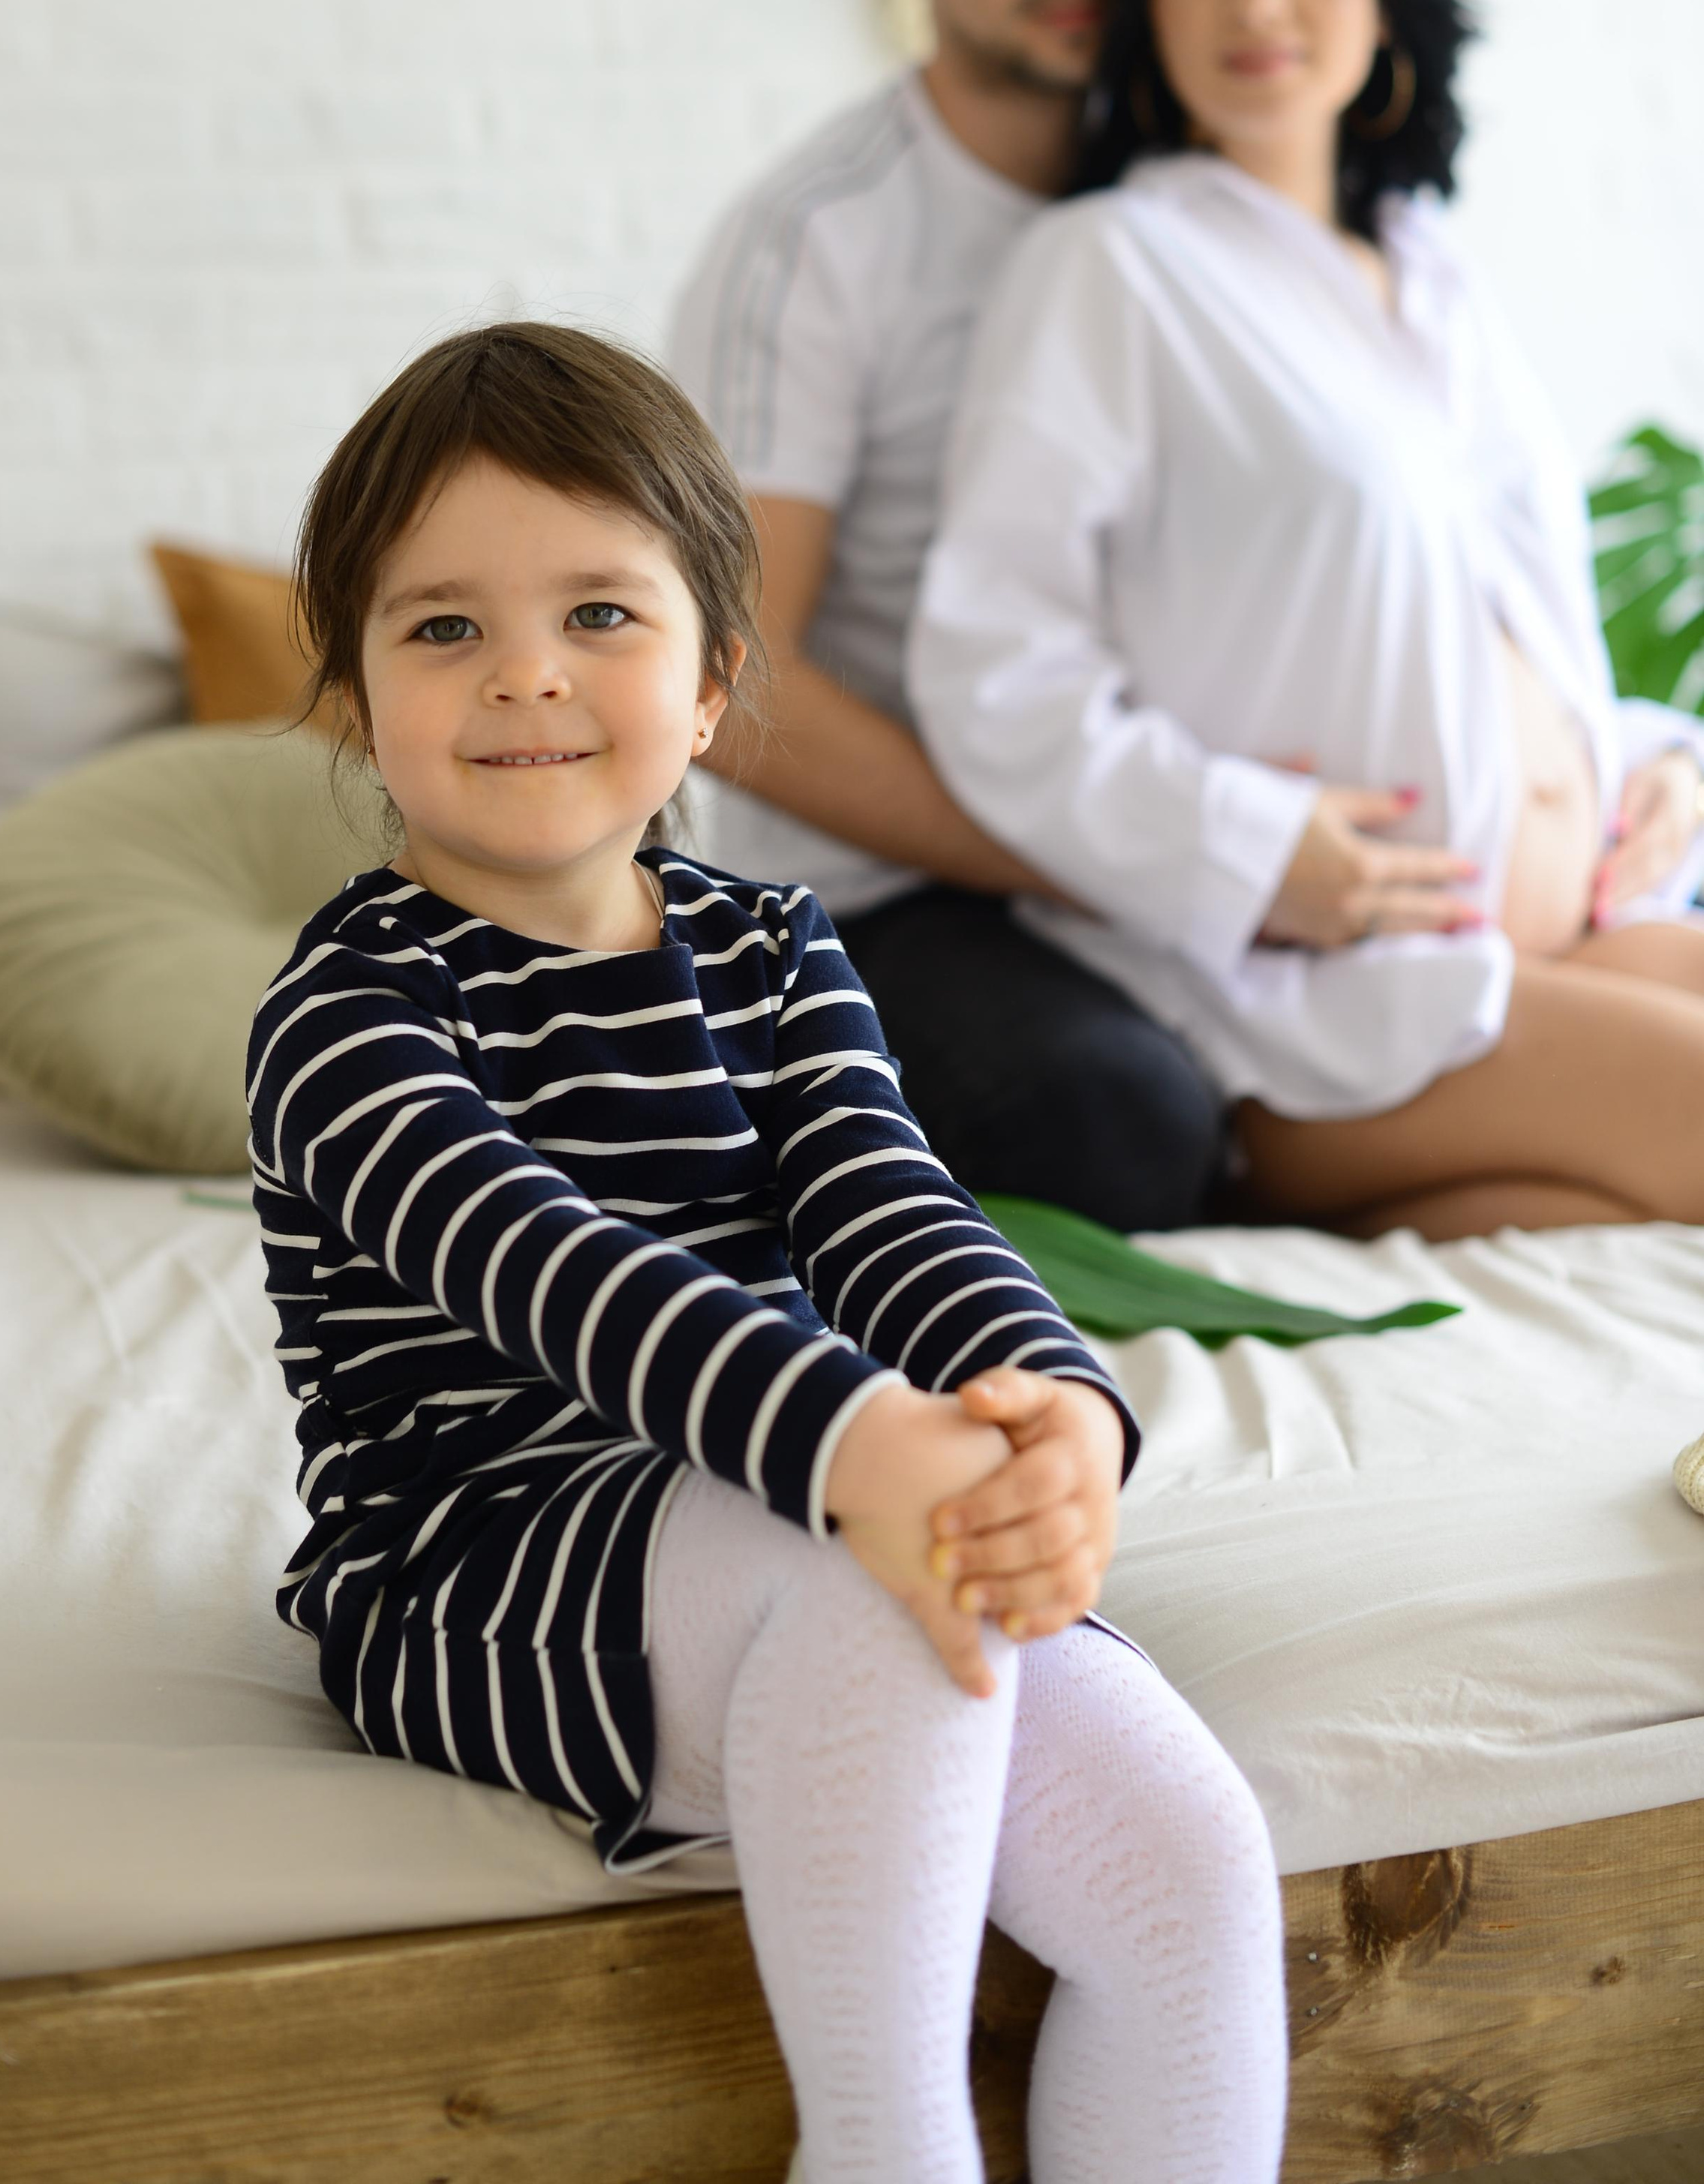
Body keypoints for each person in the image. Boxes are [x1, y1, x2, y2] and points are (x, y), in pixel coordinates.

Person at [248, 323, 1287, 2184]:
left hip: (817, 1501)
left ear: (715, 684)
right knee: (888, 1574)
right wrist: (859, 1447)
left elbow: (884, 1202)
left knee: (1190, 1874)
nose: (522, 678)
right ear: (349, 699)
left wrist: (1047, 1406)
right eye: (439, 629)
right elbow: (548, 1267)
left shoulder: (772, 944)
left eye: (598, 616)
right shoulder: (343, 1011)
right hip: (487, 1559)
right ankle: (880, 2151)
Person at [912, 0, 1704, 1242]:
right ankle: (1313, 1171)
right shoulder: (1107, 270)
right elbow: (990, 668)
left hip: (1561, 938)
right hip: (1324, 1003)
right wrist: (1246, 848)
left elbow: (1492, 617)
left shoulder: (1430, 275)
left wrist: (1651, 763)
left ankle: (1416, 1217)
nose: (1250, 0)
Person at [672, 0, 1226, 1236]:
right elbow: (734, 684)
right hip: (895, 892)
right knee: (1118, 1118)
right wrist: (1076, 854)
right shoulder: (820, 241)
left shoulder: (1210, 184)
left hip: (1155, 824)